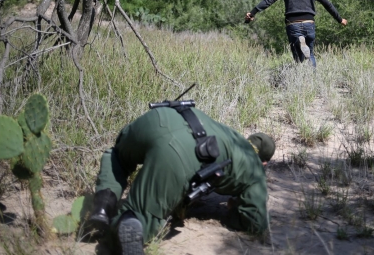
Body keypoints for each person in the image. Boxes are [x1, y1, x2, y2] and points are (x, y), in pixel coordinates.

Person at [88, 104, 276, 255]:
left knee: (118, 156)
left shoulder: (230, 134)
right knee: (140, 218)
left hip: (163, 115)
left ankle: (103, 205)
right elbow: (256, 223)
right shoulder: (256, 169)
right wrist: (232, 211)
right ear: (265, 163)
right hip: (181, 151)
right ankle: (129, 223)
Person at [245, 0, 348, 67]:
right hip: (309, 24)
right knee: (310, 54)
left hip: (293, 24)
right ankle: (312, 79)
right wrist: (340, 19)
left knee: (298, 58)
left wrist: (252, 13)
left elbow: (268, 0)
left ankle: (300, 51)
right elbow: (328, 5)